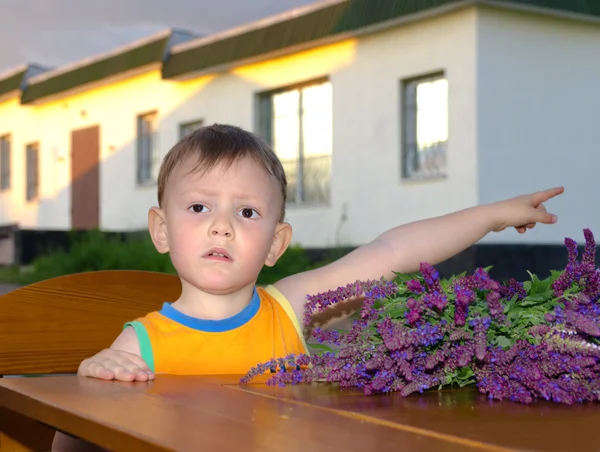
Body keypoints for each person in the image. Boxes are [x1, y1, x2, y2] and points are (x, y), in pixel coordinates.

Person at [52, 123, 563, 450]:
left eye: (246, 211)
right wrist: (95, 374)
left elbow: (390, 253)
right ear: (161, 229)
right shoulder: (139, 345)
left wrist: (492, 215)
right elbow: (78, 429)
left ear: (276, 243)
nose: (221, 226)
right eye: (199, 207)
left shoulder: (292, 308)